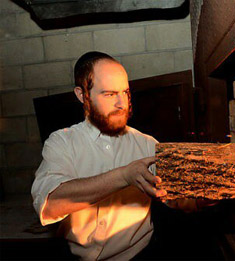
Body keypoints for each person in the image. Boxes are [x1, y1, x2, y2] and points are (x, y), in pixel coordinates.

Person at [31, 51, 167, 260]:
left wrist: (204, 196)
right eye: (110, 94)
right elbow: (50, 205)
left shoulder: (147, 144)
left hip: (140, 255)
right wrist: (124, 176)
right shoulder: (62, 143)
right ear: (82, 95)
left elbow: (176, 198)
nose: (122, 104)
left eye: (125, 92)